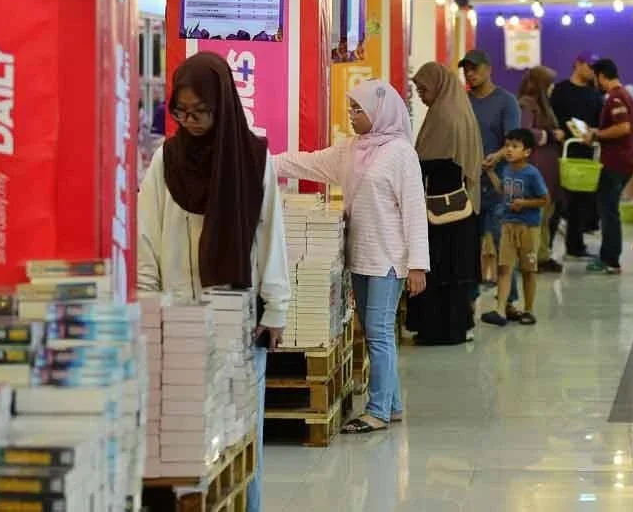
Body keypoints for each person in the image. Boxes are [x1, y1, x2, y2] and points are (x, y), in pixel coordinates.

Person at [136, 52, 291, 512]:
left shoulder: (254, 159)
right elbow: (146, 238)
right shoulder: (166, 162)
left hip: (238, 321)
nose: (190, 121)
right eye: (180, 112)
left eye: (199, 112)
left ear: (222, 104)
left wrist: (276, 307)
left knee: (243, 437)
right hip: (175, 319)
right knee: (181, 438)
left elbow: (270, 236)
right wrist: (147, 310)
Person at [273, 79, 429, 434]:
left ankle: (377, 411)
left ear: (380, 112)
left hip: (389, 259)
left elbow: (414, 212)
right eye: (351, 108)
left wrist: (418, 264)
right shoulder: (352, 150)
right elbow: (308, 164)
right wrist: (262, 159)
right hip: (359, 255)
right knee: (375, 331)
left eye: (359, 110)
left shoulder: (401, 153)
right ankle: (393, 403)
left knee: (378, 333)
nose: (352, 115)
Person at [410, 61, 483, 345]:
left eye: (423, 88)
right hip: (462, 209)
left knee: (441, 272)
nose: (420, 94)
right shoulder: (460, 109)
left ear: (438, 86)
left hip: (442, 212)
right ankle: (456, 327)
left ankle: (438, 330)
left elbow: (429, 163)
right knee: (456, 273)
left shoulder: (443, 116)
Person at [459, 49, 523, 317]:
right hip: (469, 184)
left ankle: (510, 300)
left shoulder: (506, 102)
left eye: (474, 69)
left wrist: (495, 157)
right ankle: (468, 299)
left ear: (488, 69)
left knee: (502, 243)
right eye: (466, 70)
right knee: (468, 245)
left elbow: (514, 142)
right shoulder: (463, 102)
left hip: (499, 185)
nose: (470, 74)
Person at [480, 128, 549, 326]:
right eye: (507, 145)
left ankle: (529, 310)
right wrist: (491, 172)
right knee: (504, 267)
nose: (509, 150)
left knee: (528, 270)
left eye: (515, 146)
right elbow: (502, 189)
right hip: (508, 225)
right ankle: (500, 310)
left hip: (528, 228)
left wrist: (524, 204)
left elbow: (545, 199)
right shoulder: (507, 170)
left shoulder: (532, 174)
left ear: (526, 152)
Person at [584, 58, 633, 274]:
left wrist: (596, 134)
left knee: (608, 212)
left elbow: (623, 127)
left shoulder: (615, 98)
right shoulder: (625, 95)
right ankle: (609, 256)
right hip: (623, 160)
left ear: (601, 76)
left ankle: (610, 260)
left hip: (615, 162)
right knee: (609, 210)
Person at [549, 51, 604, 261]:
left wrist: (593, 132)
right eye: (589, 67)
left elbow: (600, 123)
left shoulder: (595, 94)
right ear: (578, 64)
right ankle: (547, 246)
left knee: (582, 201)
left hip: (586, 154)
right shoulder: (560, 91)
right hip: (562, 151)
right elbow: (552, 118)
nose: (592, 72)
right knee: (559, 201)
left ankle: (575, 244)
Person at [517, 66, 565, 273]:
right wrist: (550, 135)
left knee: (546, 213)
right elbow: (524, 132)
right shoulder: (527, 104)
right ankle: (532, 257)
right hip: (537, 166)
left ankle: (542, 255)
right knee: (537, 214)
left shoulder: (542, 105)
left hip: (547, 167)